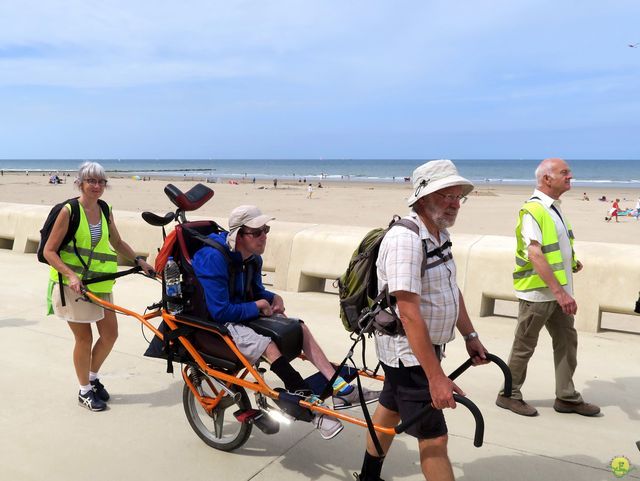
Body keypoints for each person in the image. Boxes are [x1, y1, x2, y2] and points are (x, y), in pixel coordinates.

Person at [191, 205, 380, 440]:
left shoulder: (252, 259)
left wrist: (272, 297)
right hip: (217, 324)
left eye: (266, 230)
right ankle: (312, 412)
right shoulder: (213, 258)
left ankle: (341, 388)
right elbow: (219, 311)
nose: (264, 237)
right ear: (239, 235)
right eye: (257, 232)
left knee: (299, 327)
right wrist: (259, 305)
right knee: (267, 345)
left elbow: (256, 290)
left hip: (241, 313)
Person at [355, 160, 489, 481]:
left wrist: (470, 336)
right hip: (409, 354)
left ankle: (368, 477)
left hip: (421, 351)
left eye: (459, 197)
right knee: (434, 437)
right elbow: (409, 311)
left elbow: (449, 289)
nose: (455, 204)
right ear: (422, 198)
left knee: (389, 409)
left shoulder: (439, 235)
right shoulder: (406, 240)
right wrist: (436, 377)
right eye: (446, 196)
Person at [43, 162, 155, 412]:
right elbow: (49, 251)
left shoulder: (104, 209)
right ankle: (84, 391)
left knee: (110, 335)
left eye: (101, 182)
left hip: (100, 282)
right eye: (91, 181)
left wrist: (139, 260)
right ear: (80, 183)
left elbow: (116, 241)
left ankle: (92, 378)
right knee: (84, 339)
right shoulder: (69, 211)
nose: (96, 186)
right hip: (73, 287)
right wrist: (71, 275)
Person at [496, 158, 600, 418]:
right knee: (524, 345)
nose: (570, 176)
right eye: (564, 172)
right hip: (538, 294)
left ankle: (566, 397)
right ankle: (508, 394)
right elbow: (535, 254)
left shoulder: (554, 208)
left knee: (567, 341)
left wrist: (571, 263)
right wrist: (560, 292)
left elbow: (555, 249)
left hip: (556, 292)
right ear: (546, 178)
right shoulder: (534, 209)